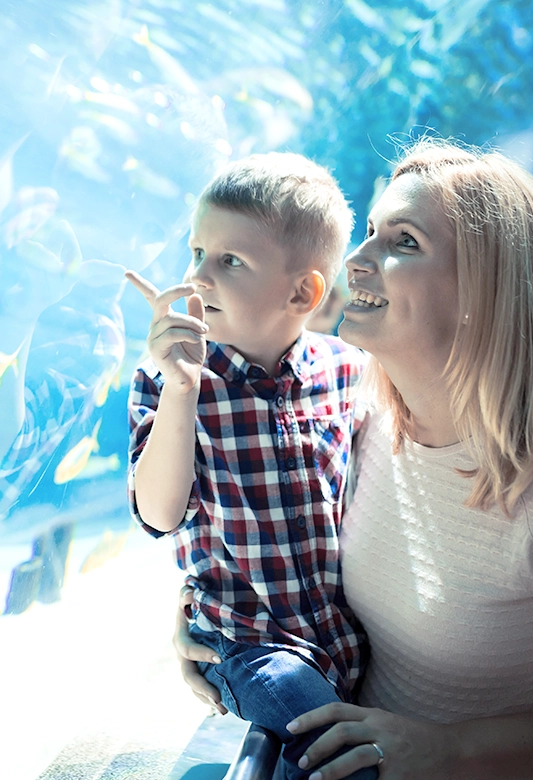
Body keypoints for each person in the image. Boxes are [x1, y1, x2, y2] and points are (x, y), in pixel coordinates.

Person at [174, 138, 533, 779]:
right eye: (369, 232)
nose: (357, 260)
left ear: (488, 287)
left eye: (404, 243)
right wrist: (215, 623)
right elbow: (268, 532)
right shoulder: (356, 408)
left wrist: (447, 749)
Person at [126, 153, 376, 779]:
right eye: (196, 253)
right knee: (328, 741)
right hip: (244, 646)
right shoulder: (166, 383)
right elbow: (158, 515)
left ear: (303, 292)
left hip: (342, 637)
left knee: (312, 748)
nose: (198, 279)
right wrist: (182, 391)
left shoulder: (349, 372)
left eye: (229, 261)